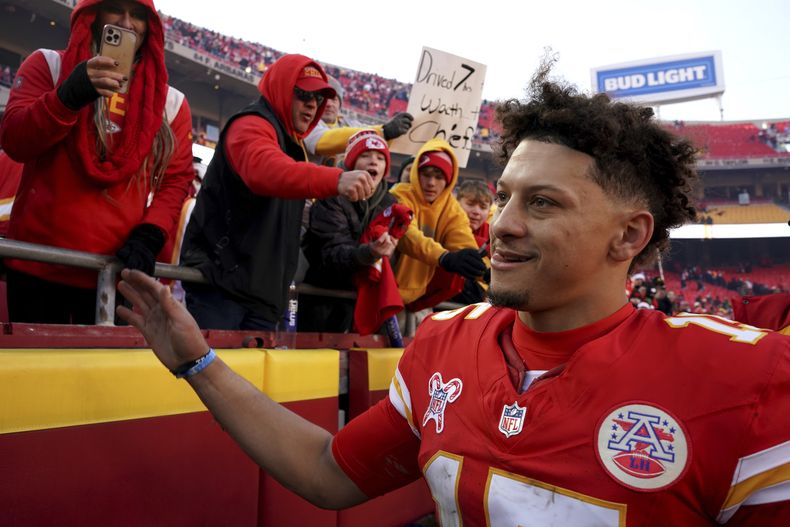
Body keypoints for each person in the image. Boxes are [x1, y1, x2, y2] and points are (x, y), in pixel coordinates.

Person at [116, 60, 790, 525]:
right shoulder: (445, 344)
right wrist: (197, 361)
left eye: (544, 203)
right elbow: (329, 469)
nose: (500, 224)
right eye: (503, 197)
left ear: (628, 236)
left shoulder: (746, 382)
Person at [0, 0, 194, 324]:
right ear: (94, 15)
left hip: (112, 273)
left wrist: (150, 233)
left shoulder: (171, 102)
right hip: (36, 266)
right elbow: (16, 142)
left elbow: (176, 180)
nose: (127, 23)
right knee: (38, 374)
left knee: (98, 376)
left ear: (150, 25)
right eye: (116, 9)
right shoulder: (48, 66)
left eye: (138, 15)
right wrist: (68, 97)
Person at [179, 54, 377, 330]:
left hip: (260, 296)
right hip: (222, 290)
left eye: (318, 99)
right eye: (303, 94)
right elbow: (266, 170)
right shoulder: (251, 124)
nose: (311, 105)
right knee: (213, 372)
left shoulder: (292, 142)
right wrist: (336, 179)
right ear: (282, 89)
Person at [299, 130, 403, 333]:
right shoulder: (332, 196)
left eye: (380, 158)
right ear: (351, 164)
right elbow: (331, 255)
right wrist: (370, 252)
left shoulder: (391, 205)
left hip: (363, 299)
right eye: (365, 155)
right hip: (322, 297)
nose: (373, 161)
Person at [390, 139, 486, 310]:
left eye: (439, 176)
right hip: (384, 291)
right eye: (426, 174)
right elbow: (407, 235)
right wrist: (444, 257)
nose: (431, 182)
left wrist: (486, 274)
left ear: (449, 180)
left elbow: (463, 243)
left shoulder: (452, 208)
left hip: (418, 298)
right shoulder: (399, 194)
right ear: (416, 173)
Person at [303, 75, 413, 167]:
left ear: (340, 104)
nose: (329, 104)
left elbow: (376, 133)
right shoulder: (306, 122)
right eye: (323, 99)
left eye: (334, 99)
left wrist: (393, 131)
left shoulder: (350, 123)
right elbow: (323, 141)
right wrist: (383, 132)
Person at [452, 179, 494, 304]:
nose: (476, 212)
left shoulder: (492, 233)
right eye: (470, 204)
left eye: (483, 207)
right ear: (456, 203)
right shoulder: (446, 226)